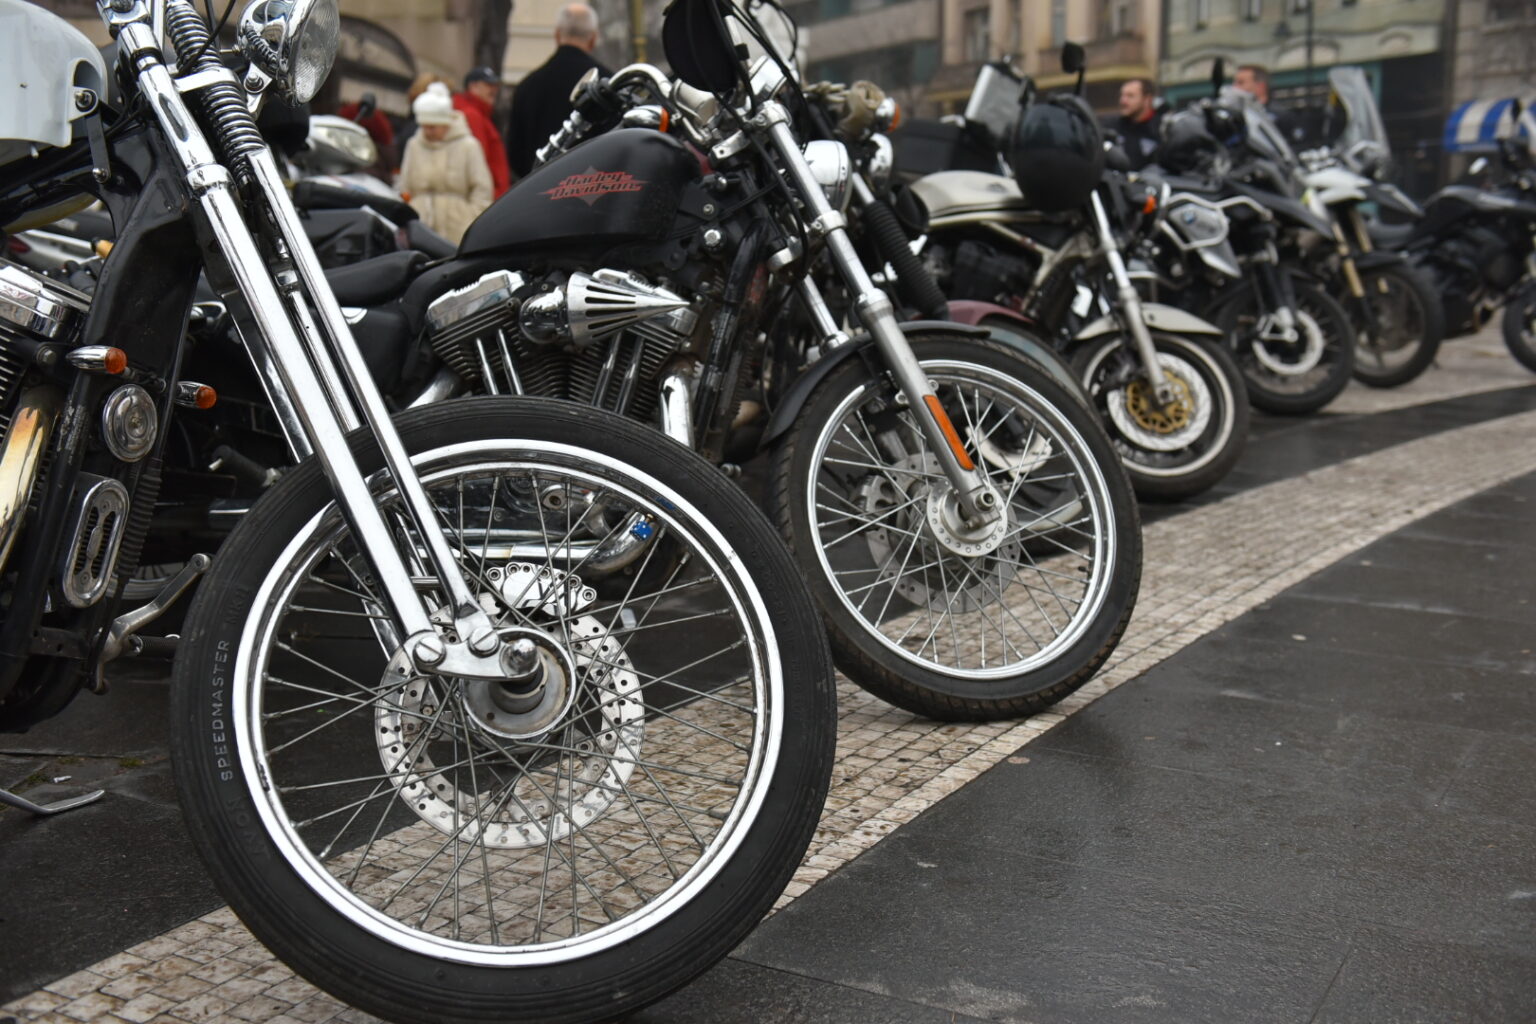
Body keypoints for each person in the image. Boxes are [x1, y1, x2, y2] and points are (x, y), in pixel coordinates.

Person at [507, 3, 611, 178]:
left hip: (538, 186)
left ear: (556, 35)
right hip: (592, 187)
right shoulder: (608, 85)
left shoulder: (527, 87)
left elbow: (515, 156)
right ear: (593, 39)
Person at [398, 83, 494, 244]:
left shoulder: (468, 146)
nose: (427, 131)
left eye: (432, 127)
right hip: (420, 228)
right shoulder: (414, 145)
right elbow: (404, 185)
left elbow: (482, 190)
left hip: (457, 230)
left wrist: (471, 220)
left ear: (445, 122)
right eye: (424, 126)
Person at [454, 66, 512, 197]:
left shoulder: (481, 115)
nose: (494, 90)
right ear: (473, 87)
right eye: (488, 85)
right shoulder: (472, 116)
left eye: (495, 85)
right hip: (488, 195)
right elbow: (479, 161)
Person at [1232, 63, 1308, 147]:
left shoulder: (1281, 115)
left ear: (1260, 86)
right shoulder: (1237, 115)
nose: (1235, 87)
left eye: (1241, 83)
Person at [1110, 77, 1163, 170]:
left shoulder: (1161, 129)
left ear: (1147, 99)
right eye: (1122, 95)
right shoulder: (1113, 126)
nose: (1123, 101)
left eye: (1130, 96)